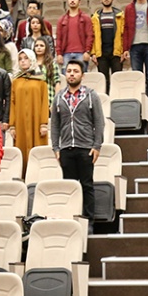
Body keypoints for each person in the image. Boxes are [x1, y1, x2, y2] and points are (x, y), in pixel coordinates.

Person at [49, 60, 105, 221]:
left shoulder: (90, 95)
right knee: (69, 187)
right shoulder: (59, 97)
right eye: (69, 71)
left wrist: (97, 145)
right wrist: (56, 148)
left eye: (76, 71)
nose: (72, 74)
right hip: (66, 149)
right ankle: (71, 220)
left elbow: (99, 122)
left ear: (83, 75)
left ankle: (89, 222)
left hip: (86, 147)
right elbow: (55, 125)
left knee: (87, 185)